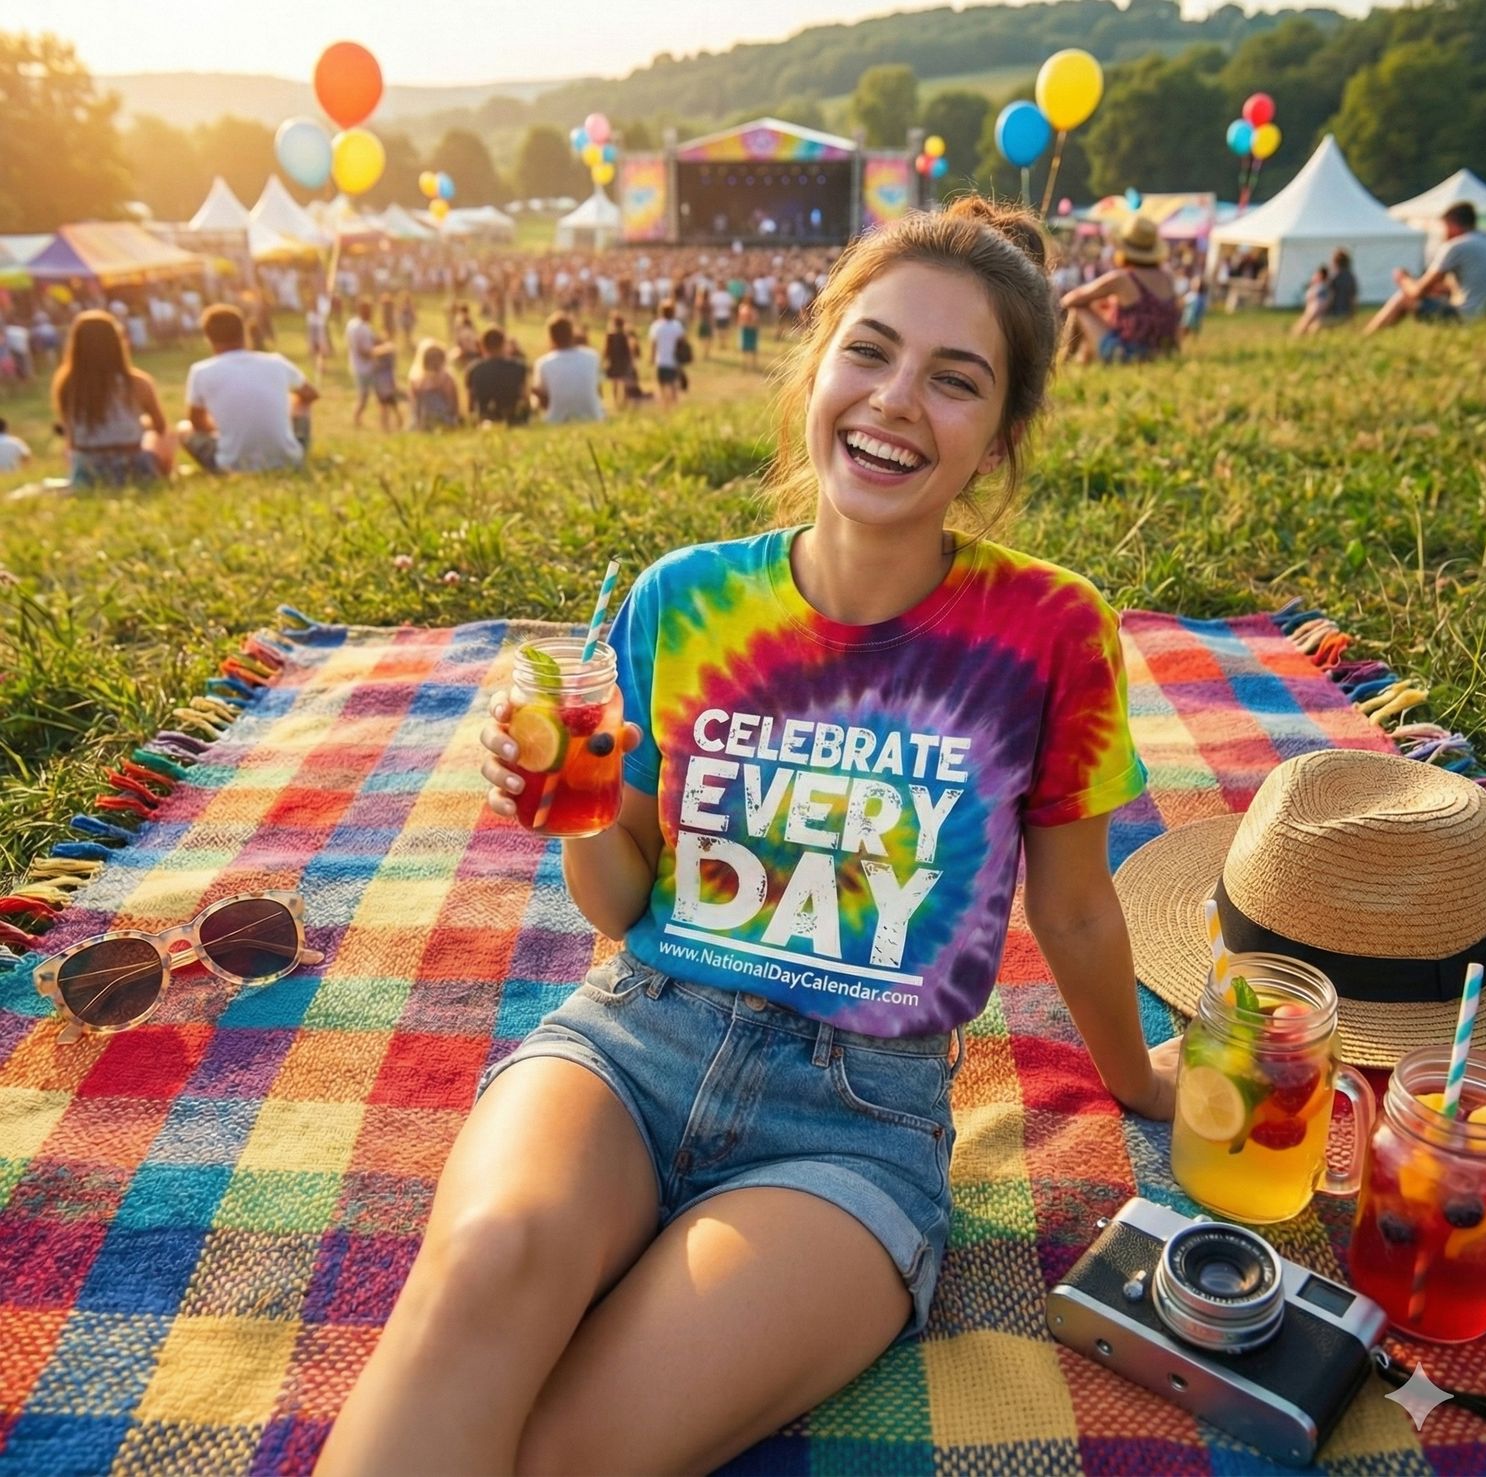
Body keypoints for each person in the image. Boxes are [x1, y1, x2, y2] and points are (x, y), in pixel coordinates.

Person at [317, 194, 1177, 1477]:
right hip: (632, 1037)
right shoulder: (683, 597)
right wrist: (587, 798)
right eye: (871, 350)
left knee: (570, 1451)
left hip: (855, 1121)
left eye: (957, 379)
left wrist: (1139, 1080)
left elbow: (1075, 908)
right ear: (819, 361)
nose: (896, 400)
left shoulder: (1050, 632)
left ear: (998, 438)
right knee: (481, 1278)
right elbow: (620, 904)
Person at [179, 304, 319, 473]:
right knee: (302, 403)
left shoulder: (201, 371)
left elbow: (196, 423)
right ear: (244, 331)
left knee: (183, 428)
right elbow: (310, 394)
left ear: (208, 337)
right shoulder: (276, 361)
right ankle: (287, 444)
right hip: (290, 460)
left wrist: (220, 429)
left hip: (231, 465)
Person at [52, 310, 175, 488]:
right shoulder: (137, 382)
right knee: (166, 436)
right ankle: (168, 475)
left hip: (87, 471)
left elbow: (71, 440)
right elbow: (160, 427)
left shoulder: (66, 384)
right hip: (133, 467)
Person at [1060, 215, 1181, 364]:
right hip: (1164, 352)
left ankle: (1065, 361)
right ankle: (1081, 360)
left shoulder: (1122, 279)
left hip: (1128, 355)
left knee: (1079, 308)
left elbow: (1071, 299)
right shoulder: (1167, 277)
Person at [1365, 202, 1486, 334]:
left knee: (1405, 297)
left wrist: (1403, 279)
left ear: (1452, 224)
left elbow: (1417, 292)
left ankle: (1369, 338)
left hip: (1468, 318)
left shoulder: (1456, 246)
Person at [531, 312, 604, 424]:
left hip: (556, 420)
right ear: (572, 333)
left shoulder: (543, 363)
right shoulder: (592, 357)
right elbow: (598, 391)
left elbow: (542, 400)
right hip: (593, 417)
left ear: (550, 336)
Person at [466, 328, 529, 425]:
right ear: (504, 344)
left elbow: (471, 405)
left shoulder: (473, 370)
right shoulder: (519, 368)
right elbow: (525, 398)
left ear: (482, 346)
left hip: (484, 419)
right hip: (512, 418)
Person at [346, 299, 390, 429]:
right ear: (363, 311)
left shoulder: (358, 324)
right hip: (363, 368)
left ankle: (384, 424)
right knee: (364, 398)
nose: (372, 314)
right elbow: (364, 352)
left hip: (365, 367)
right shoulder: (359, 328)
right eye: (370, 311)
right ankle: (356, 420)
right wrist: (385, 349)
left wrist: (381, 340)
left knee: (381, 397)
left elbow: (372, 340)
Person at [409, 338, 461, 429]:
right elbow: (453, 403)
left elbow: (414, 406)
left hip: (423, 421)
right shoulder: (446, 379)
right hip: (443, 420)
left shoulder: (417, 380)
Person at [647, 300, 686, 409]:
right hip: (674, 360)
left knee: (662, 384)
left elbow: (653, 344)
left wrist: (651, 357)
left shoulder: (657, 326)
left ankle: (665, 405)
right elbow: (682, 341)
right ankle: (674, 405)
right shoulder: (677, 326)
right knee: (673, 384)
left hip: (661, 360)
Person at [602, 313, 636, 411]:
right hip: (623, 362)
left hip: (613, 361)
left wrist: (604, 359)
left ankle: (615, 400)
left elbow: (606, 350)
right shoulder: (624, 336)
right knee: (624, 382)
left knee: (615, 383)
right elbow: (628, 350)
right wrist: (630, 361)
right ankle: (624, 401)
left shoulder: (609, 336)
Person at [1291, 264, 1332, 338]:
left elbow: (1312, 297)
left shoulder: (1322, 286)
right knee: (1305, 322)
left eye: (1316, 274)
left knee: (1305, 322)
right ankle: (1297, 335)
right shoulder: (1321, 285)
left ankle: (1297, 336)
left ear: (1320, 275)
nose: (1314, 276)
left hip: (1316, 308)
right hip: (1315, 308)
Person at [1325, 248, 1357, 326]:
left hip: (1334, 313)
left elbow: (1329, 297)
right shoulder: (1351, 277)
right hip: (1346, 314)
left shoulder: (1333, 276)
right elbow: (1353, 298)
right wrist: (1351, 314)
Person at [737, 295, 760, 370]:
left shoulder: (754, 310)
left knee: (752, 348)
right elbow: (740, 318)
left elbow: (756, 320)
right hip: (745, 328)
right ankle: (744, 364)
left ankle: (753, 364)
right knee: (745, 348)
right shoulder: (742, 308)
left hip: (752, 329)